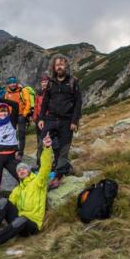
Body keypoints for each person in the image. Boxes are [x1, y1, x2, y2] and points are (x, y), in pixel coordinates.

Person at [0, 133, 53, 252]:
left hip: (32, 223)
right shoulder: (17, 189)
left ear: (29, 171)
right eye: (19, 170)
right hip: (18, 219)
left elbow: (45, 168)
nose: (21, 171)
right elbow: (6, 207)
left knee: (22, 219)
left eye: (24, 168)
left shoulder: (38, 182)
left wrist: (47, 149)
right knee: (3, 201)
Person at [38, 54, 82, 189]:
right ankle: (41, 169)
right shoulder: (50, 83)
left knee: (64, 148)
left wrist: (74, 121)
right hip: (51, 119)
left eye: (61, 64)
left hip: (66, 121)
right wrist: (41, 118)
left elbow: (78, 102)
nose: (59, 67)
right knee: (42, 143)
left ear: (66, 66)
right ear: (54, 67)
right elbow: (45, 101)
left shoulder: (73, 81)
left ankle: (58, 176)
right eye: (57, 65)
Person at [0, 97, 20, 183]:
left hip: (10, 156)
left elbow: (15, 105)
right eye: (1, 111)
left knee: (20, 175)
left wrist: (1, 100)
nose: (3, 113)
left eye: (5, 111)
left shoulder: (12, 120)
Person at [4, 76, 32, 160]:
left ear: (16, 83)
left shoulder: (23, 91)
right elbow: (6, 105)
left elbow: (28, 103)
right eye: (11, 83)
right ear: (8, 84)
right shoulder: (7, 93)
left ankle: (20, 153)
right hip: (11, 116)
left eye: (14, 82)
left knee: (21, 134)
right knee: (12, 134)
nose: (13, 84)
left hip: (21, 115)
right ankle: (12, 150)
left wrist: (24, 114)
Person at [32, 74, 50, 165]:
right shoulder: (39, 93)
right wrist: (35, 117)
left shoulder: (51, 92)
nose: (44, 84)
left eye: (46, 82)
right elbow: (36, 105)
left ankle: (47, 161)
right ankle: (38, 162)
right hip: (39, 119)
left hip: (48, 118)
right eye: (43, 82)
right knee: (39, 140)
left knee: (47, 139)